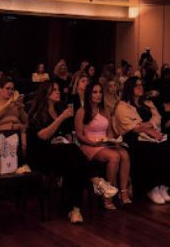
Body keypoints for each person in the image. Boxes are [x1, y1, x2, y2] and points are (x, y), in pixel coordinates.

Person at [27, 81, 117, 223]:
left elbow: (68, 132)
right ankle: (95, 180)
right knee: (72, 152)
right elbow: (43, 136)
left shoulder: (59, 108)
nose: (58, 92)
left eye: (58, 89)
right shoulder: (37, 113)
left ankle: (76, 209)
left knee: (75, 165)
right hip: (41, 155)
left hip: (60, 151)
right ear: (45, 94)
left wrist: (67, 136)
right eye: (54, 90)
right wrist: (61, 118)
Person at [112, 78, 170, 205]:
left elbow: (158, 118)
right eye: (136, 86)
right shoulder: (122, 105)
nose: (140, 88)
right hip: (132, 138)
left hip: (151, 133)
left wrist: (149, 126)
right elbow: (132, 127)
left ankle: (162, 185)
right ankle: (151, 187)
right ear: (130, 88)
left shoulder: (147, 103)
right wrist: (148, 128)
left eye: (141, 85)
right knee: (152, 149)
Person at [75, 83, 132, 209]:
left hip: (103, 143)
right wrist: (93, 143)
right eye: (95, 92)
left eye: (100, 92)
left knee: (124, 154)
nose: (98, 95)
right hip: (89, 145)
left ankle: (123, 191)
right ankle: (107, 195)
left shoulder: (105, 110)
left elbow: (109, 132)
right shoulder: (82, 111)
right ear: (89, 94)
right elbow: (79, 134)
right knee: (114, 156)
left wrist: (113, 140)